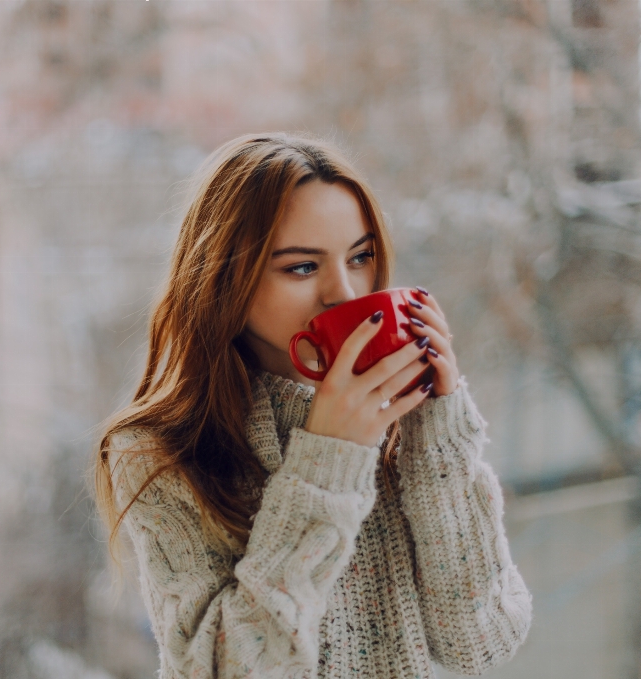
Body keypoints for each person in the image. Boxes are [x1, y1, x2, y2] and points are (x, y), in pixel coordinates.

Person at [93, 133, 532, 679]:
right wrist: (327, 461)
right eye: (301, 267)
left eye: (361, 257)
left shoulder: (402, 423)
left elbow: (480, 641)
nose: (345, 294)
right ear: (226, 280)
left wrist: (439, 435)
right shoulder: (158, 452)